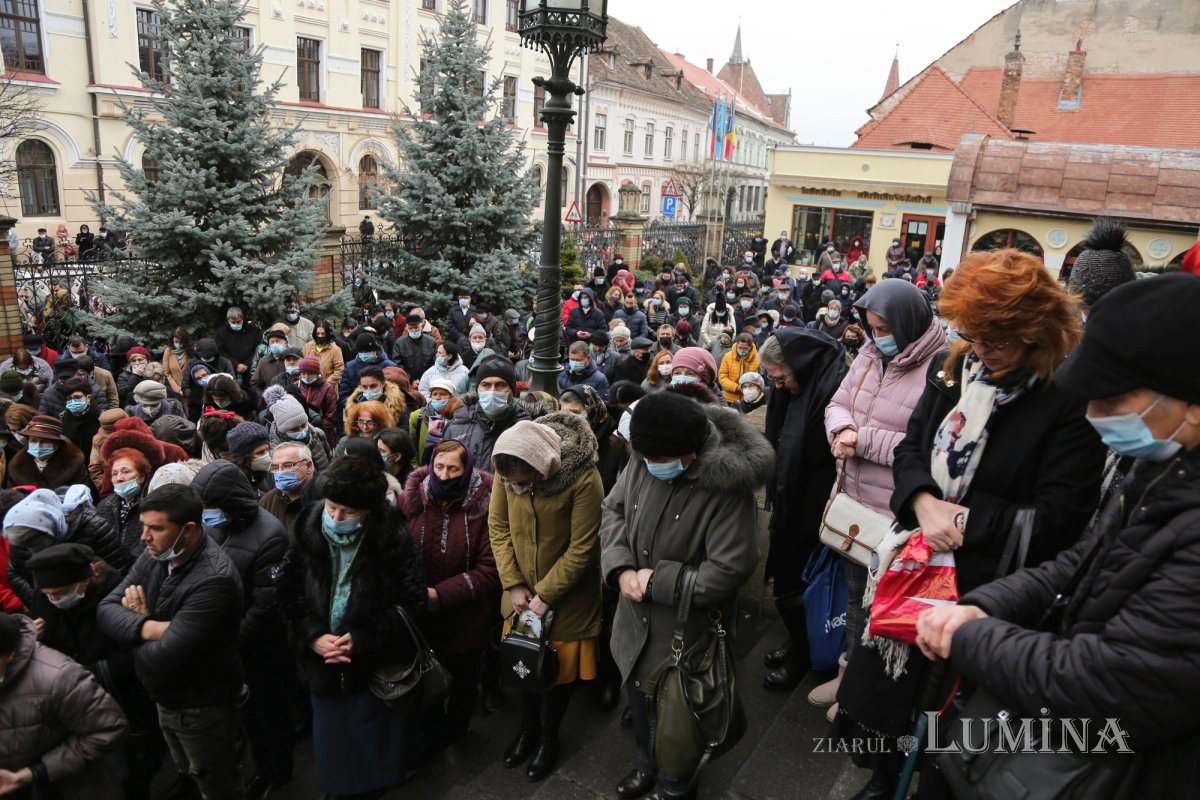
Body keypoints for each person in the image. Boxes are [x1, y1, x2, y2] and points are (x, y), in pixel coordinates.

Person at [914, 272, 1200, 799]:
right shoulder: (1167, 469)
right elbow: (1087, 561)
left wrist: (970, 636)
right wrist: (985, 606)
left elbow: (1115, 683)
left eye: (1111, 399)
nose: (1093, 415)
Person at [834, 249, 1106, 799]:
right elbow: (913, 445)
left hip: (986, 581)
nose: (981, 350)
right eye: (974, 335)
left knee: (948, 706)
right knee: (887, 687)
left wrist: (961, 520)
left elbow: (1059, 517)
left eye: (996, 341)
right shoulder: (956, 366)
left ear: (1035, 333)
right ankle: (884, 775)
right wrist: (924, 503)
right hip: (913, 556)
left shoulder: (1067, 400)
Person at [600, 390, 772, 799]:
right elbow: (614, 509)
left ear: (691, 453)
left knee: (679, 709)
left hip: (686, 629)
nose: (650, 467)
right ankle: (646, 765)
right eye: (645, 459)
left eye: (660, 462)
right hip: (632, 616)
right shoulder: (644, 456)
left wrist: (656, 581)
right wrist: (621, 568)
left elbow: (730, 567)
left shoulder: (727, 486)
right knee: (639, 699)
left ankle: (675, 783)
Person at [806, 279, 947, 720]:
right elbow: (838, 403)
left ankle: (866, 693)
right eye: (871, 326)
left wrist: (860, 439)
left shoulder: (939, 368)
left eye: (884, 327)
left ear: (908, 323)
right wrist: (839, 431)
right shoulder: (869, 354)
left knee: (881, 606)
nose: (877, 335)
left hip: (896, 515)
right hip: (854, 503)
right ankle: (847, 675)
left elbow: (924, 443)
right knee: (852, 597)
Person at [276, 453, 426, 800]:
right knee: (332, 746)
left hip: (372, 670)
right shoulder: (309, 529)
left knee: (372, 749)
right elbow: (286, 593)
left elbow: (411, 603)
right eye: (332, 507)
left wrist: (361, 639)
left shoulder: (393, 540)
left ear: (369, 512)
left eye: (348, 512)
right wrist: (312, 636)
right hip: (322, 667)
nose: (336, 518)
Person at [97, 484, 248, 800]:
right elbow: (106, 608)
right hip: (167, 697)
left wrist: (133, 625)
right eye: (143, 526)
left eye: (155, 528)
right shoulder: (159, 554)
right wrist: (148, 624)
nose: (144, 537)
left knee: (215, 781)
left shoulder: (213, 581)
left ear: (188, 530)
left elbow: (164, 657)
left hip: (201, 705)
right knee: (187, 769)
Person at [489, 415, 603, 781]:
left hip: (568, 599)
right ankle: (528, 728)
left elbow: (583, 547)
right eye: (511, 484)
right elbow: (499, 526)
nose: (516, 488)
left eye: (525, 483)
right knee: (524, 665)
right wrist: (512, 582)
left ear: (544, 467)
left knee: (559, 673)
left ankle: (549, 737)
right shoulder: (507, 466)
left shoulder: (584, 479)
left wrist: (548, 595)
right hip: (521, 594)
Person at [192, 459, 294, 795]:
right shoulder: (217, 527)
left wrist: (228, 645)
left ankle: (275, 773)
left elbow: (264, 607)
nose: (207, 514)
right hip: (228, 644)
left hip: (259, 648)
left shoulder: (270, 537)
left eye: (211, 506)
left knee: (267, 716)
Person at [758, 329, 848, 691]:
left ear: (801, 365)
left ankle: (805, 653)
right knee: (788, 582)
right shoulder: (792, 391)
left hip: (817, 505)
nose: (777, 386)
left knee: (799, 586)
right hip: (792, 499)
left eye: (781, 377)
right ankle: (800, 642)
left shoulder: (833, 388)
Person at [399, 440, 497, 745]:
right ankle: (430, 732)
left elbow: (489, 569)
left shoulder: (485, 505)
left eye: (453, 468)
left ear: (465, 469)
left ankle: (456, 731)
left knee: (462, 679)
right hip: (421, 613)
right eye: (439, 467)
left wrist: (439, 595)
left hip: (466, 615)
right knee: (426, 677)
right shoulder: (415, 499)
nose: (444, 475)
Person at [0, 612, 129, 798]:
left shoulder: (59, 677)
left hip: (65, 788)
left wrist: (35, 772)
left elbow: (109, 729)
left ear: (9, 655)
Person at [442, 356, 529, 467]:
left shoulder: (525, 427)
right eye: (485, 385)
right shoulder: (456, 425)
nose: (492, 391)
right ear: (477, 389)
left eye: (500, 385)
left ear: (512, 390)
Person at [5, 415, 89, 491]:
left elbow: (80, 496)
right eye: (33, 440)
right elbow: (12, 497)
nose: (38, 445)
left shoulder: (74, 465)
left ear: (56, 444)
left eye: (44, 441)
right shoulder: (17, 466)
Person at [259, 442, 317, 536]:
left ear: (309, 466)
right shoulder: (267, 502)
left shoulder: (325, 497)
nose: (280, 472)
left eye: (288, 465)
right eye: (275, 467)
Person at [266, 393, 333, 473]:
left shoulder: (318, 435)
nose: (302, 431)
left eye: (303, 425)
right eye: (294, 429)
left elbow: (330, 462)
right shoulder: (275, 453)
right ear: (282, 431)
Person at [409, 378, 461, 466]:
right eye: (434, 394)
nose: (438, 397)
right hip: (425, 467)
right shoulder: (417, 416)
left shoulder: (459, 417)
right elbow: (411, 447)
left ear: (451, 397)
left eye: (443, 394)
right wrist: (416, 468)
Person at [338, 334, 396, 405]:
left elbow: (396, 392)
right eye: (361, 351)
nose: (364, 354)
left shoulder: (389, 366)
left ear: (375, 350)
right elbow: (344, 394)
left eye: (367, 351)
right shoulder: (350, 367)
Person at [295, 355, 339, 443]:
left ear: (317, 373)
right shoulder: (296, 385)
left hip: (320, 432)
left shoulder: (327, 388)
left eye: (310, 373)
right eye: (304, 373)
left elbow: (331, 416)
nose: (306, 377)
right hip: (300, 430)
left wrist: (318, 428)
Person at [392, 312, 438, 381]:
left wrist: (425, 379)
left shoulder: (431, 342)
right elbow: (398, 365)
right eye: (411, 328)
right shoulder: (399, 343)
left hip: (428, 380)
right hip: (407, 382)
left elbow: (435, 363)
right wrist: (410, 381)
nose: (414, 331)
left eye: (416, 327)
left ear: (421, 326)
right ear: (407, 328)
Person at [718, 333, 760, 405]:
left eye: (745, 348)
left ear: (751, 347)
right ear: (736, 344)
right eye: (740, 348)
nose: (742, 350)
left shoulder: (757, 359)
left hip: (749, 399)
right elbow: (722, 377)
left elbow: (759, 379)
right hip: (729, 398)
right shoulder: (728, 356)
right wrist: (737, 387)